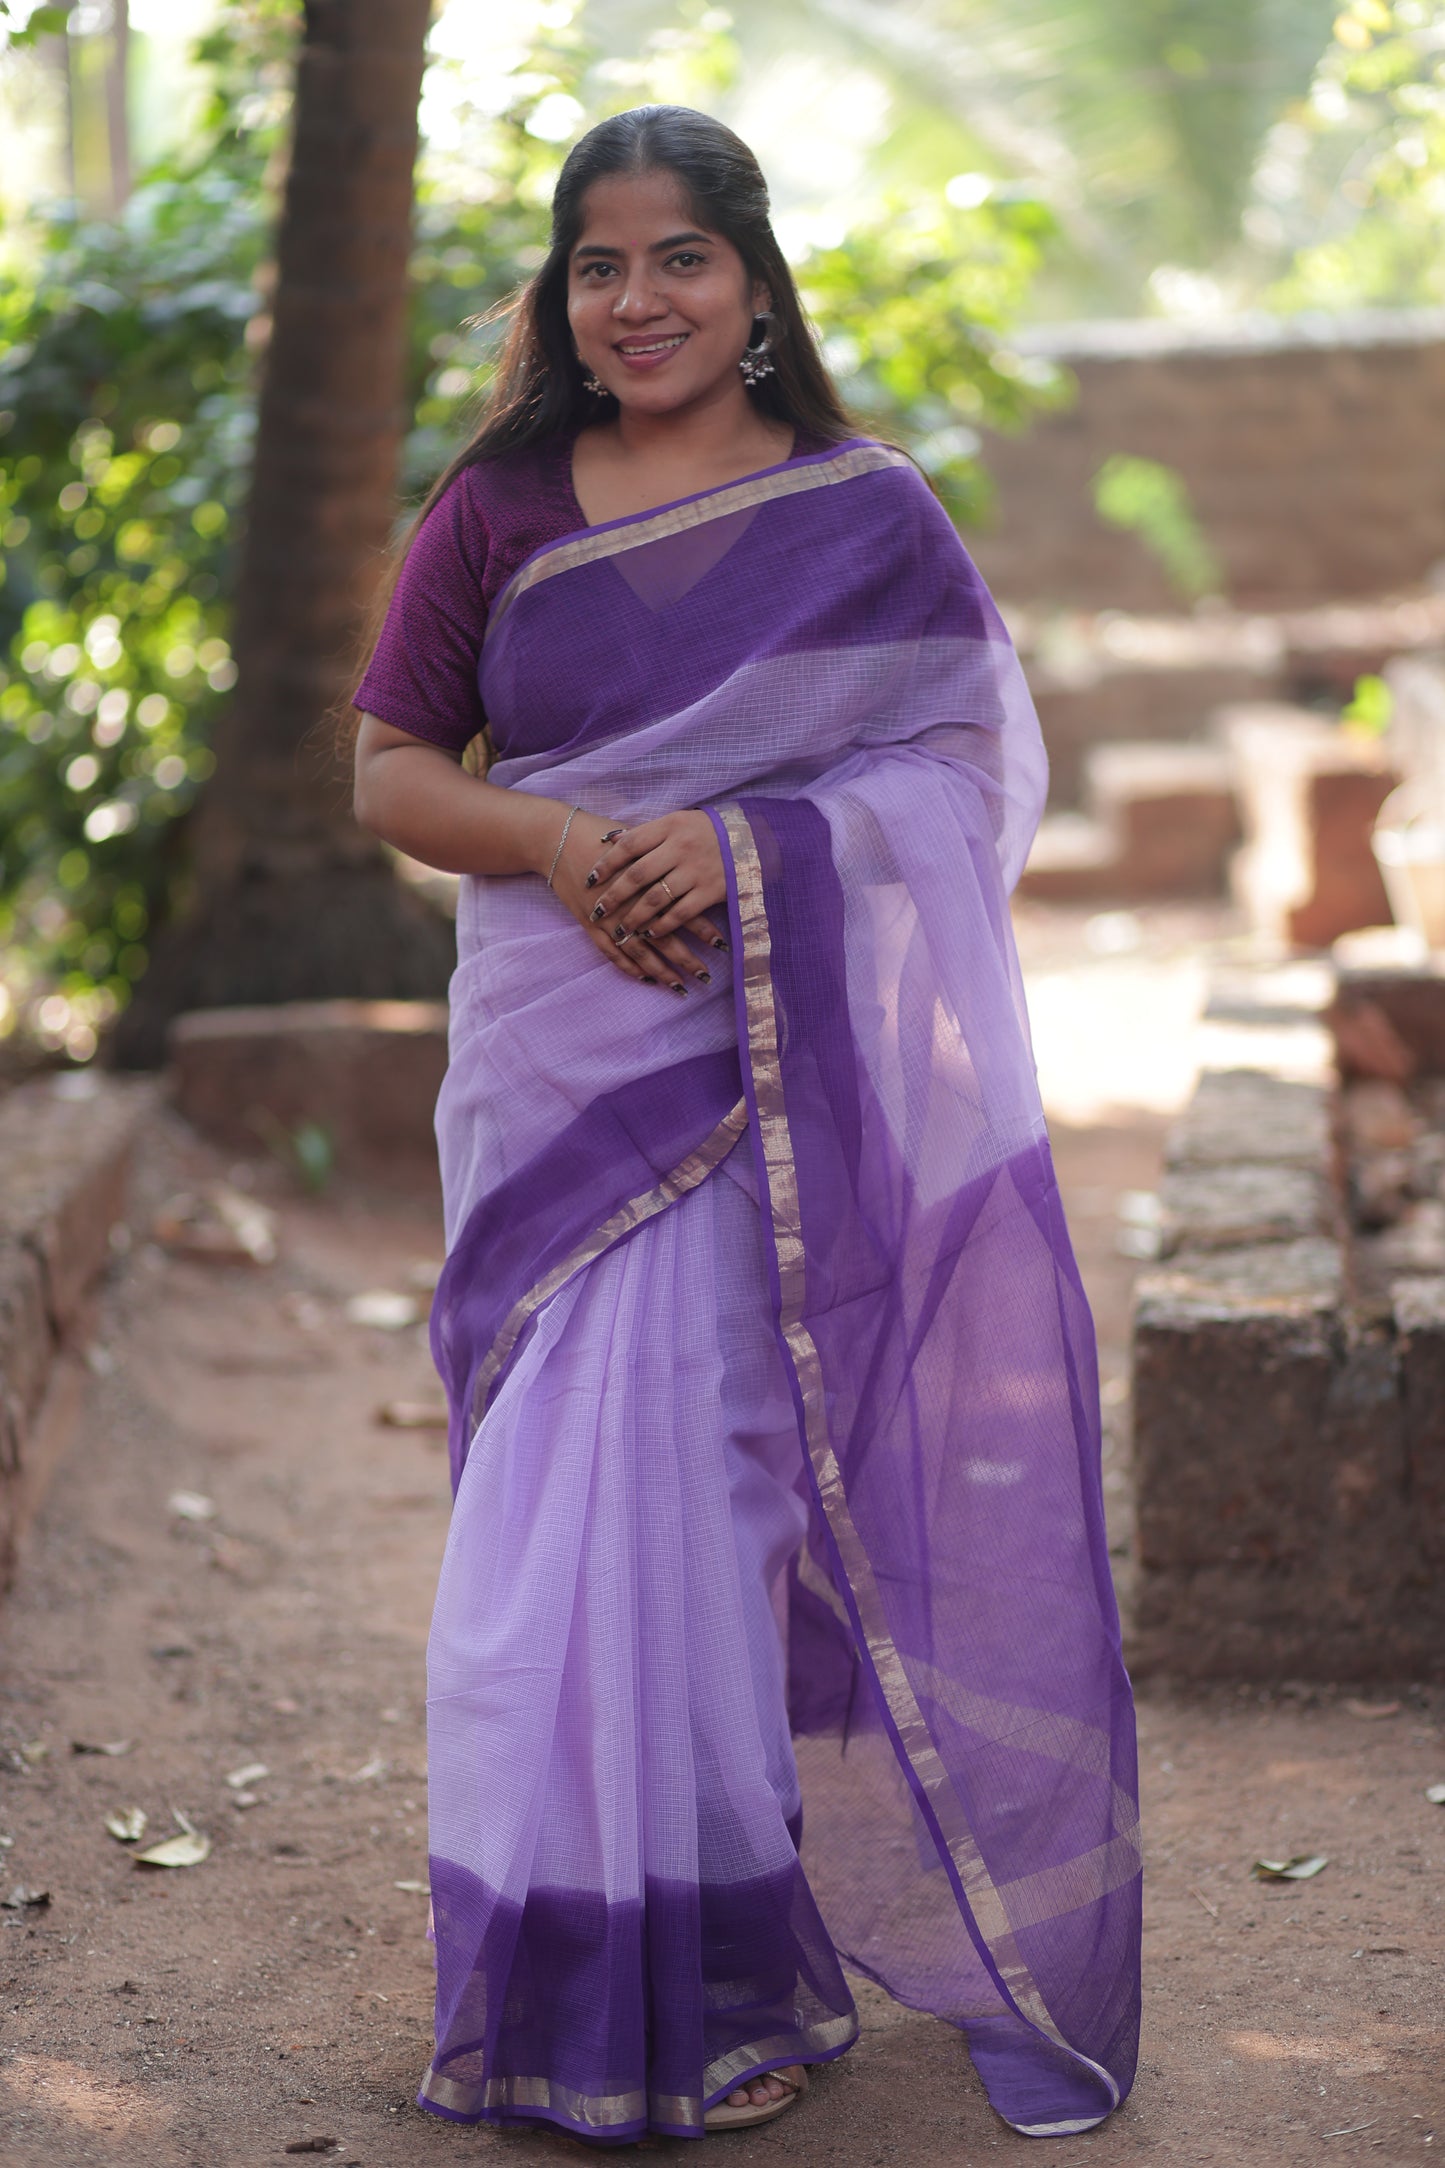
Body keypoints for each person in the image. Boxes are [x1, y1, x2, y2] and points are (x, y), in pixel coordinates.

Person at [352, 103, 1141, 2148]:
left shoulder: (866, 513)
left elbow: (965, 777)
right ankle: (543, 1973)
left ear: (760, 284)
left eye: (681, 259)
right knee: (543, 1535)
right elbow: (389, 773)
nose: (640, 300)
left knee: (707, 1513)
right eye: (599, 266)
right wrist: (571, 840)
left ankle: (716, 1970)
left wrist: (741, 848)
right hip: (560, 1071)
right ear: (559, 294)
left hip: (760, 1084)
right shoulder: (502, 504)